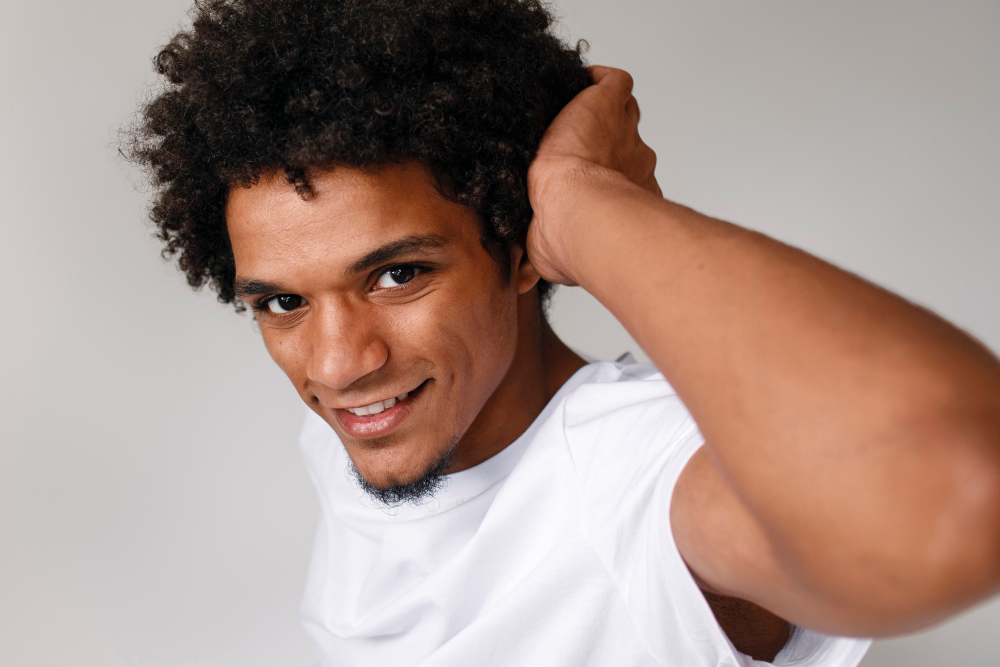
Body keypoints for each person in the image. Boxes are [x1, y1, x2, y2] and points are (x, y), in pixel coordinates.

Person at [127, 0, 1000, 664]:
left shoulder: (636, 478)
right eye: (283, 302)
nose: (337, 365)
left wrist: (587, 204)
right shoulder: (360, 433)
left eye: (398, 275)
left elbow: (957, 492)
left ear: (518, 248)